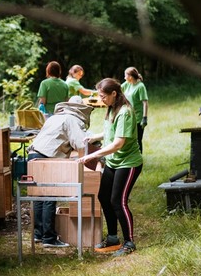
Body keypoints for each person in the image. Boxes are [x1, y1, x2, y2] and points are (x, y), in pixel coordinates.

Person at [81, 78, 143, 257]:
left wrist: (94, 155)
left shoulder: (125, 112)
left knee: (118, 201)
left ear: (114, 94)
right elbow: (112, 131)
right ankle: (113, 238)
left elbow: (118, 143)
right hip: (113, 162)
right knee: (103, 196)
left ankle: (129, 242)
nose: (101, 99)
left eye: (103, 96)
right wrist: (95, 137)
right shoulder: (111, 107)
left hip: (128, 163)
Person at [27, 96, 94, 248]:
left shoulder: (54, 117)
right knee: (49, 196)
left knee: (38, 196)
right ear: (80, 110)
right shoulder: (72, 119)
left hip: (33, 155)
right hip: (48, 157)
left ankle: (38, 234)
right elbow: (80, 144)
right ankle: (49, 238)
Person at [122, 66, 149, 154]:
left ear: (130, 77)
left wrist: (144, 118)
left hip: (138, 118)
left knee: (138, 140)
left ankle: (139, 157)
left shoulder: (140, 86)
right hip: (129, 117)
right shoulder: (128, 84)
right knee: (129, 139)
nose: (124, 77)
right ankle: (130, 156)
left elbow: (145, 103)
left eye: (125, 75)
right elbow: (118, 89)